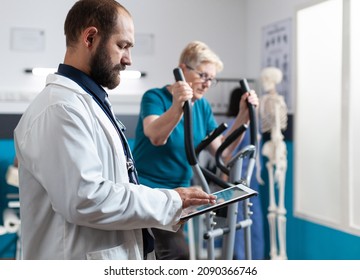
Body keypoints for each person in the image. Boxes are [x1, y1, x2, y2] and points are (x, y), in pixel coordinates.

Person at [13, 0, 215, 260]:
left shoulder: (89, 103)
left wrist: (172, 207)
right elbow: (86, 198)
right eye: (122, 46)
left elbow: (117, 187)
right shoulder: (59, 109)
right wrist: (172, 201)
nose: (129, 59)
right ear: (90, 38)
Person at [132, 41, 259, 259]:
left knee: (172, 254)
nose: (207, 83)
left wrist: (243, 116)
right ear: (183, 70)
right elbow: (155, 136)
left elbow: (223, 153)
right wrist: (178, 107)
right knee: (177, 254)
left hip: (181, 198)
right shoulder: (154, 97)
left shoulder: (202, 106)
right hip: (150, 194)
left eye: (212, 78)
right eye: (203, 76)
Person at [226, 87, 265, 260]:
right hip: (251, 179)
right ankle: (255, 259)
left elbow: (228, 156)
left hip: (239, 181)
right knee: (253, 221)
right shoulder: (255, 126)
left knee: (240, 223)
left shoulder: (238, 126)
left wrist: (223, 182)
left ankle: (243, 261)